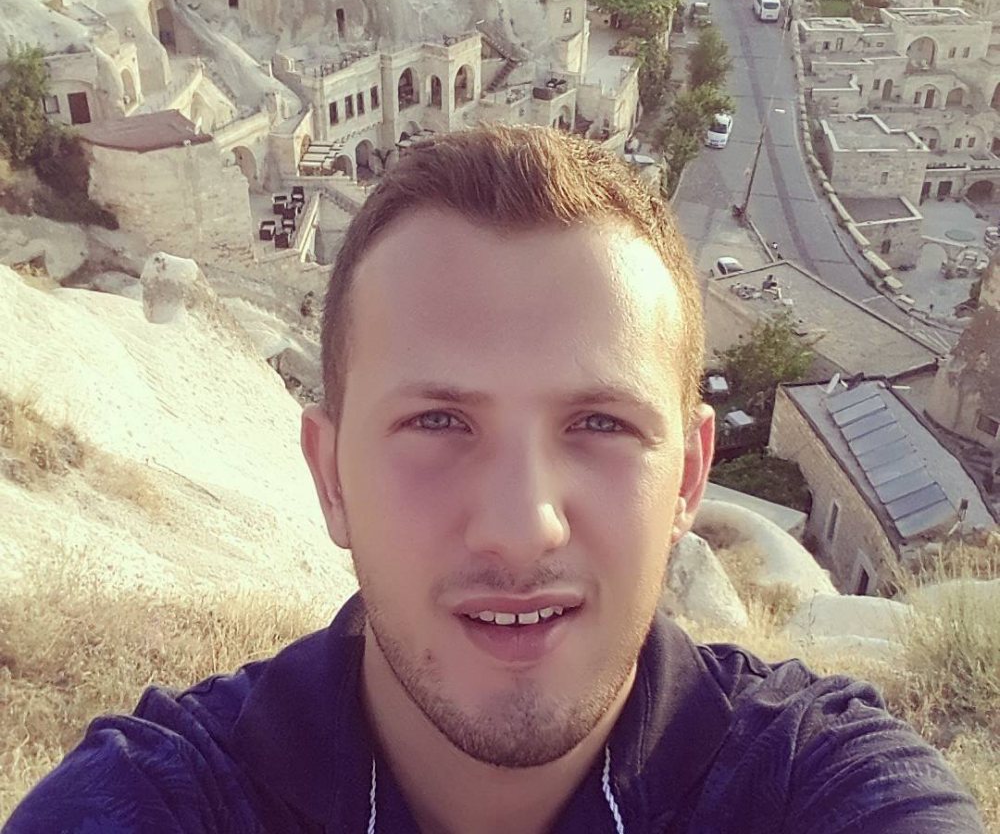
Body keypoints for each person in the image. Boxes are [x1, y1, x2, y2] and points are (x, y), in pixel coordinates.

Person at [4, 126, 984, 834]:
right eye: (438, 422)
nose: (522, 526)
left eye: (598, 424)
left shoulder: (815, 787)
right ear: (330, 476)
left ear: (688, 478)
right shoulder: (165, 801)